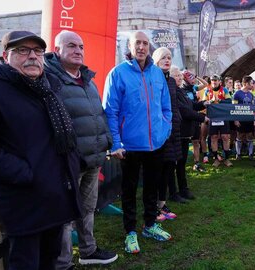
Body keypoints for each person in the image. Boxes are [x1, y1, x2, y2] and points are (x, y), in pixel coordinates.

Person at [0, 31, 81, 269]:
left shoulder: (47, 88)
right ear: (5, 56)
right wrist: (23, 173)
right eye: (22, 50)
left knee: (50, 260)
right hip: (24, 202)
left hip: (56, 197)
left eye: (38, 51)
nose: (32, 56)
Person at [43, 30, 118, 268]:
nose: (78, 50)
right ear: (58, 50)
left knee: (87, 209)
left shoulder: (88, 80)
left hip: (93, 159)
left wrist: (107, 140)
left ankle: (88, 250)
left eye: (81, 46)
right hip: (68, 163)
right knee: (65, 215)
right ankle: (63, 263)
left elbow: (99, 114)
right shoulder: (48, 80)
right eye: (72, 46)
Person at [104, 31, 172, 255]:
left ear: (149, 47)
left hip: (156, 144)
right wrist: (116, 143)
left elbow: (165, 106)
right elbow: (110, 112)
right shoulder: (118, 73)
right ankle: (130, 231)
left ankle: (150, 225)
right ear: (130, 46)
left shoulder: (157, 73)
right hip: (130, 147)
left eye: (145, 43)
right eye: (137, 43)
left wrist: (165, 129)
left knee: (152, 187)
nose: (141, 47)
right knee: (129, 190)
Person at [151, 47, 185, 212]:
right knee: (157, 169)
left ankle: (162, 203)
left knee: (169, 166)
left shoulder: (171, 81)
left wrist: (176, 120)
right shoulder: (151, 78)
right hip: (158, 130)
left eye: (169, 57)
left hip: (173, 130)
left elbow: (174, 105)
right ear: (157, 60)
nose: (167, 60)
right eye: (163, 57)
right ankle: (154, 206)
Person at [174, 66, 209, 200]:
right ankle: (175, 192)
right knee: (177, 163)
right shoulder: (177, 91)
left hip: (184, 132)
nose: (180, 78)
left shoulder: (181, 92)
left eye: (180, 76)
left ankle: (182, 189)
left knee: (181, 163)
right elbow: (185, 111)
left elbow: (191, 105)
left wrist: (203, 104)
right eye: (177, 76)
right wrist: (202, 117)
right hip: (179, 132)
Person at [202, 75, 233, 167]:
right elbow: (203, 103)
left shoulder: (224, 90)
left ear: (220, 81)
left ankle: (226, 159)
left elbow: (229, 102)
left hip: (223, 117)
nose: (214, 82)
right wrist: (210, 101)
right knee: (214, 137)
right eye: (212, 81)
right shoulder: (207, 90)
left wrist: (219, 100)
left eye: (216, 80)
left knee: (225, 137)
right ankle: (216, 159)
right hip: (212, 117)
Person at [233, 75, 255, 160]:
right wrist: (236, 119)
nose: (252, 85)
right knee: (240, 135)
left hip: (249, 119)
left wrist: (254, 119)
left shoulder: (251, 94)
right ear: (246, 83)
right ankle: (238, 154)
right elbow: (233, 107)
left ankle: (250, 154)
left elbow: (253, 107)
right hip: (240, 119)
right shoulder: (237, 94)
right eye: (251, 83)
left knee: (250, 135)